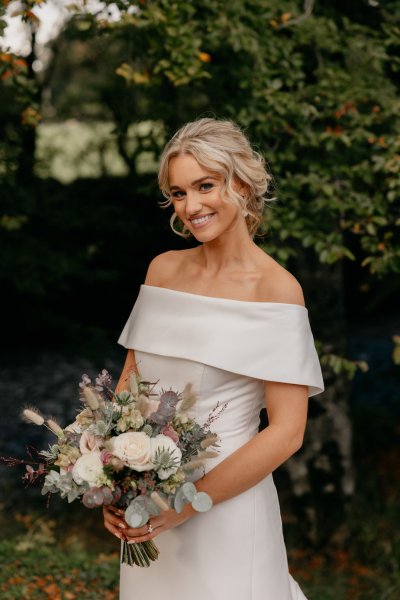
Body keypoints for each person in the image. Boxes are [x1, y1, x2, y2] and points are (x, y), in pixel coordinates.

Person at [103, 118, 324, 599]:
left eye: (205, 186)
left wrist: (184, 507)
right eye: (179, 193)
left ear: (241, 184)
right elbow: (128, 386)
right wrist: (113, 481)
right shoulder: (162, 270)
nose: (192, 206)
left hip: (225, 510)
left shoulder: (277, 290)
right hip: (147, 505)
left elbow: (287, 432)